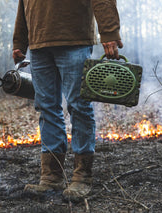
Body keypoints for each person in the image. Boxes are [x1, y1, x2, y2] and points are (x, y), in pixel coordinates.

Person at [12, 0, 122, 201]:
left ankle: (82, 177)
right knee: (46, 108)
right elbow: (24, 4)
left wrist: (109, 32)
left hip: (74, 40)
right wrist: (20, 41)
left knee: (79, 106)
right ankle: (51, 178)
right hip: (39, 44)